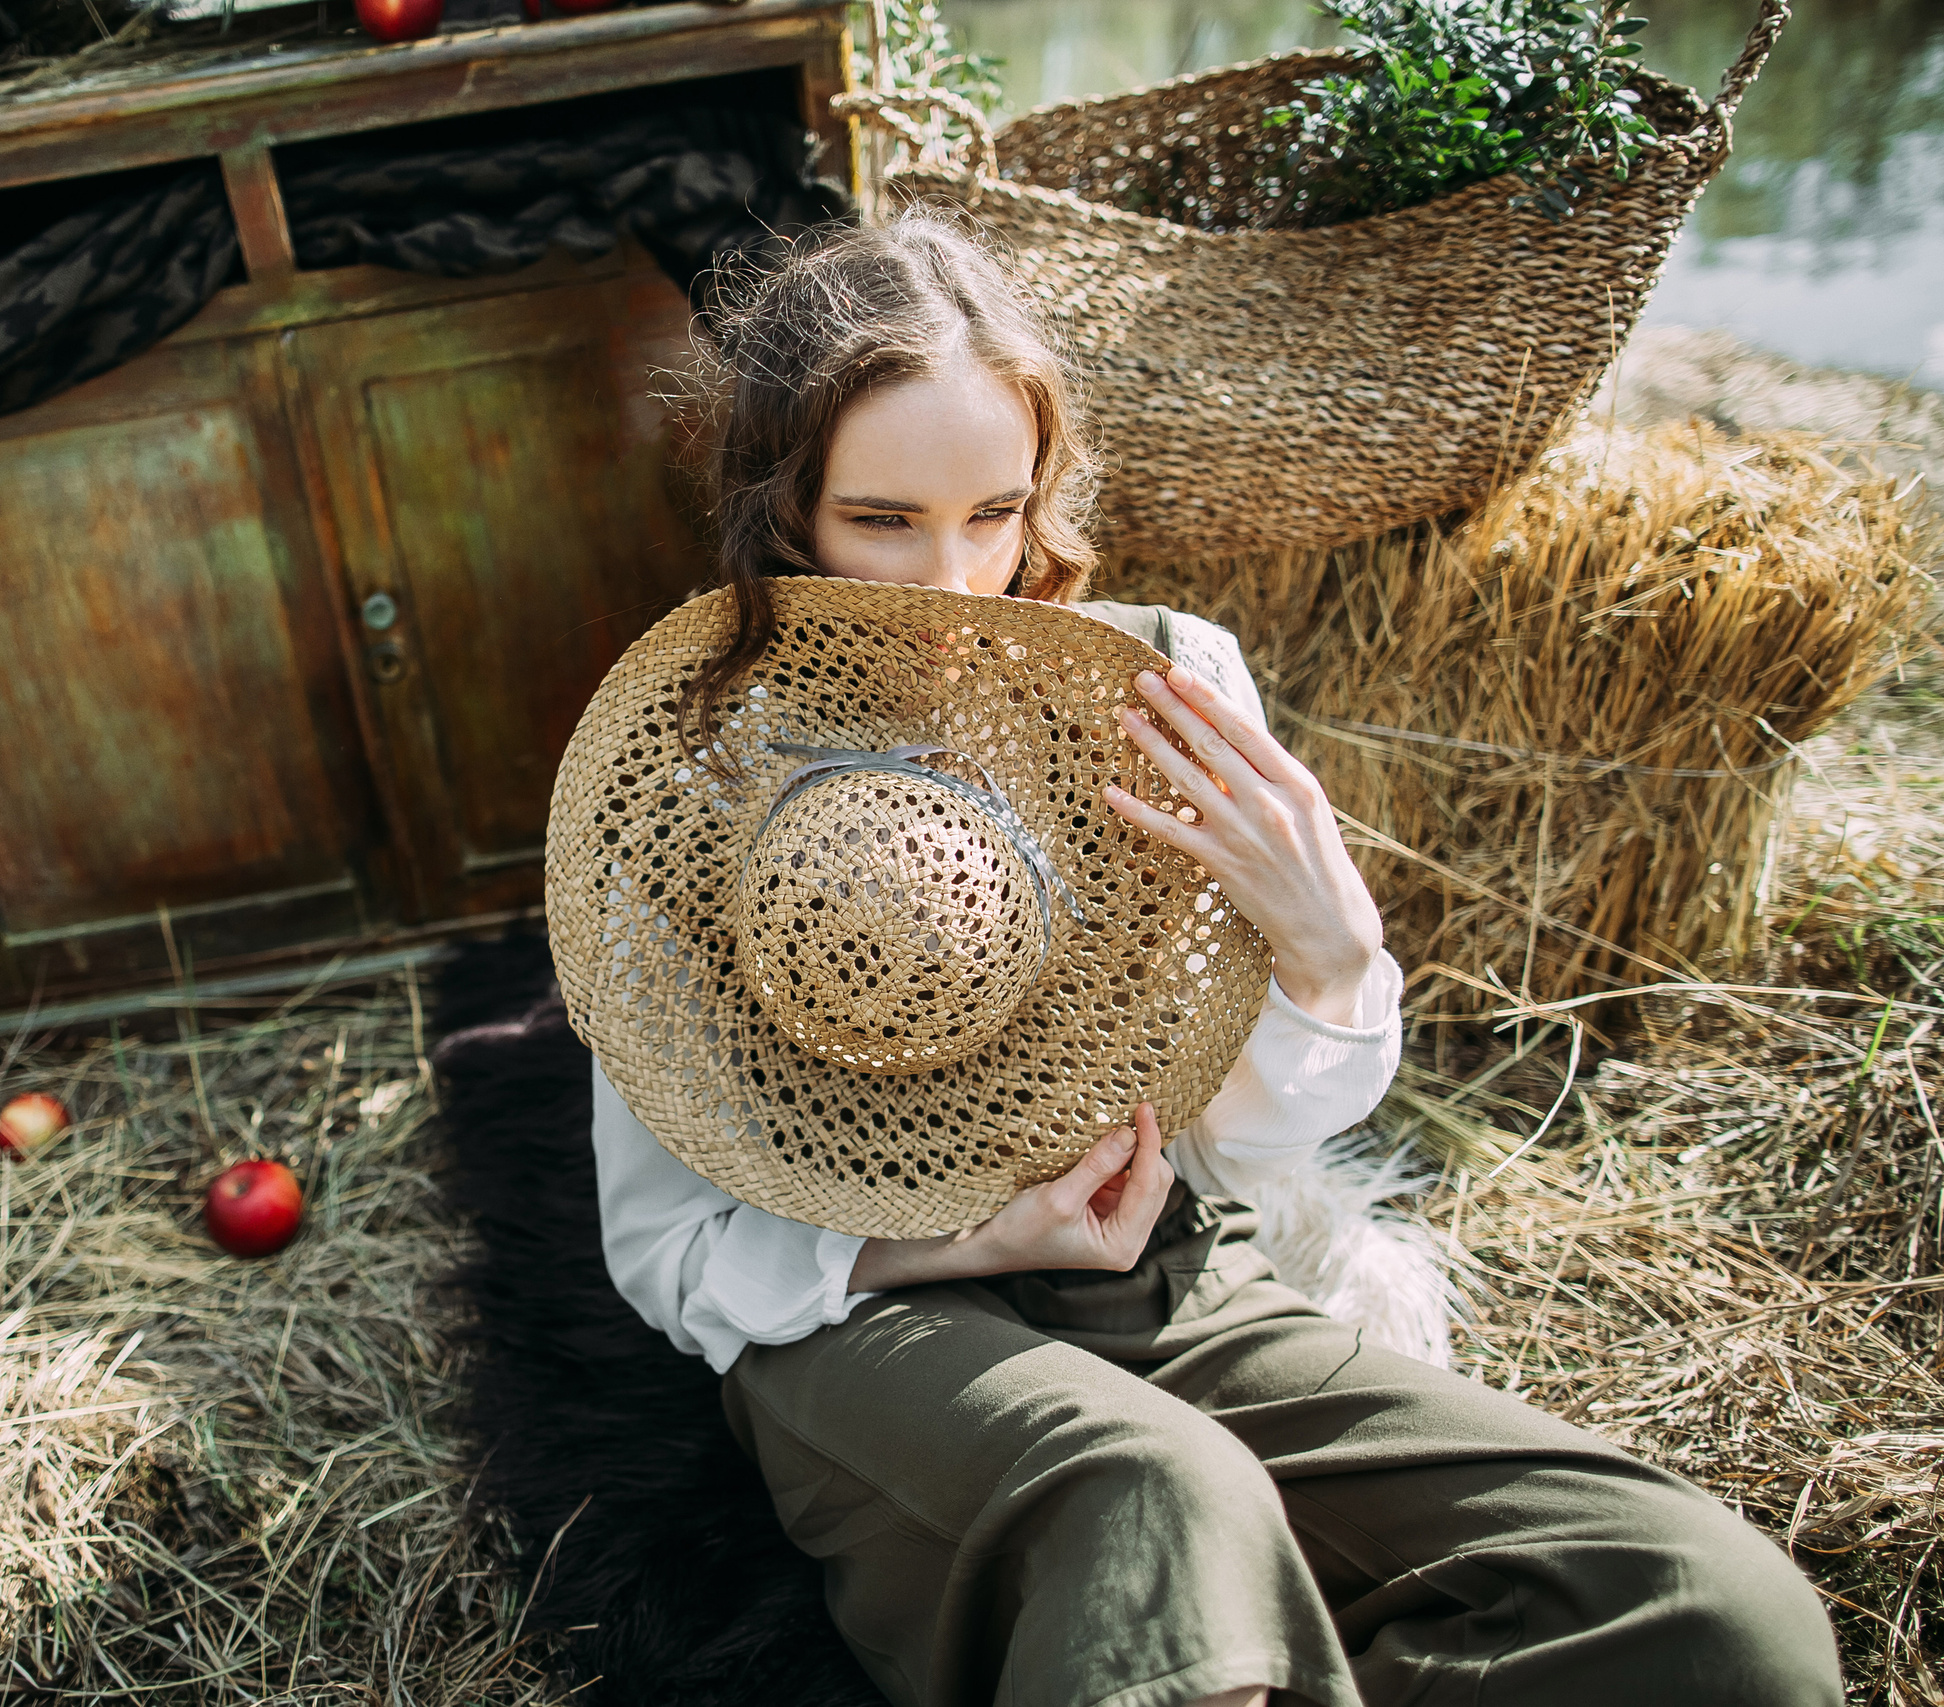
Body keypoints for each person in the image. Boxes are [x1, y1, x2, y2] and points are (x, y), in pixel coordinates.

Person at [565, 213, 1843, 1707]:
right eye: (884, 519)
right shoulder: (684, 780)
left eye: (995, 512)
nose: (957, 582)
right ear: (783, 510)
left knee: (1703, 1603)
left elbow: (1256, 1129)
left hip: (1167, 1277)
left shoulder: (1164, 691)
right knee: (1161, 1506)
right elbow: (669, 1256)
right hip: (868, 1319)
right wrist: (984, 1241)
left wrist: (1328, 948)